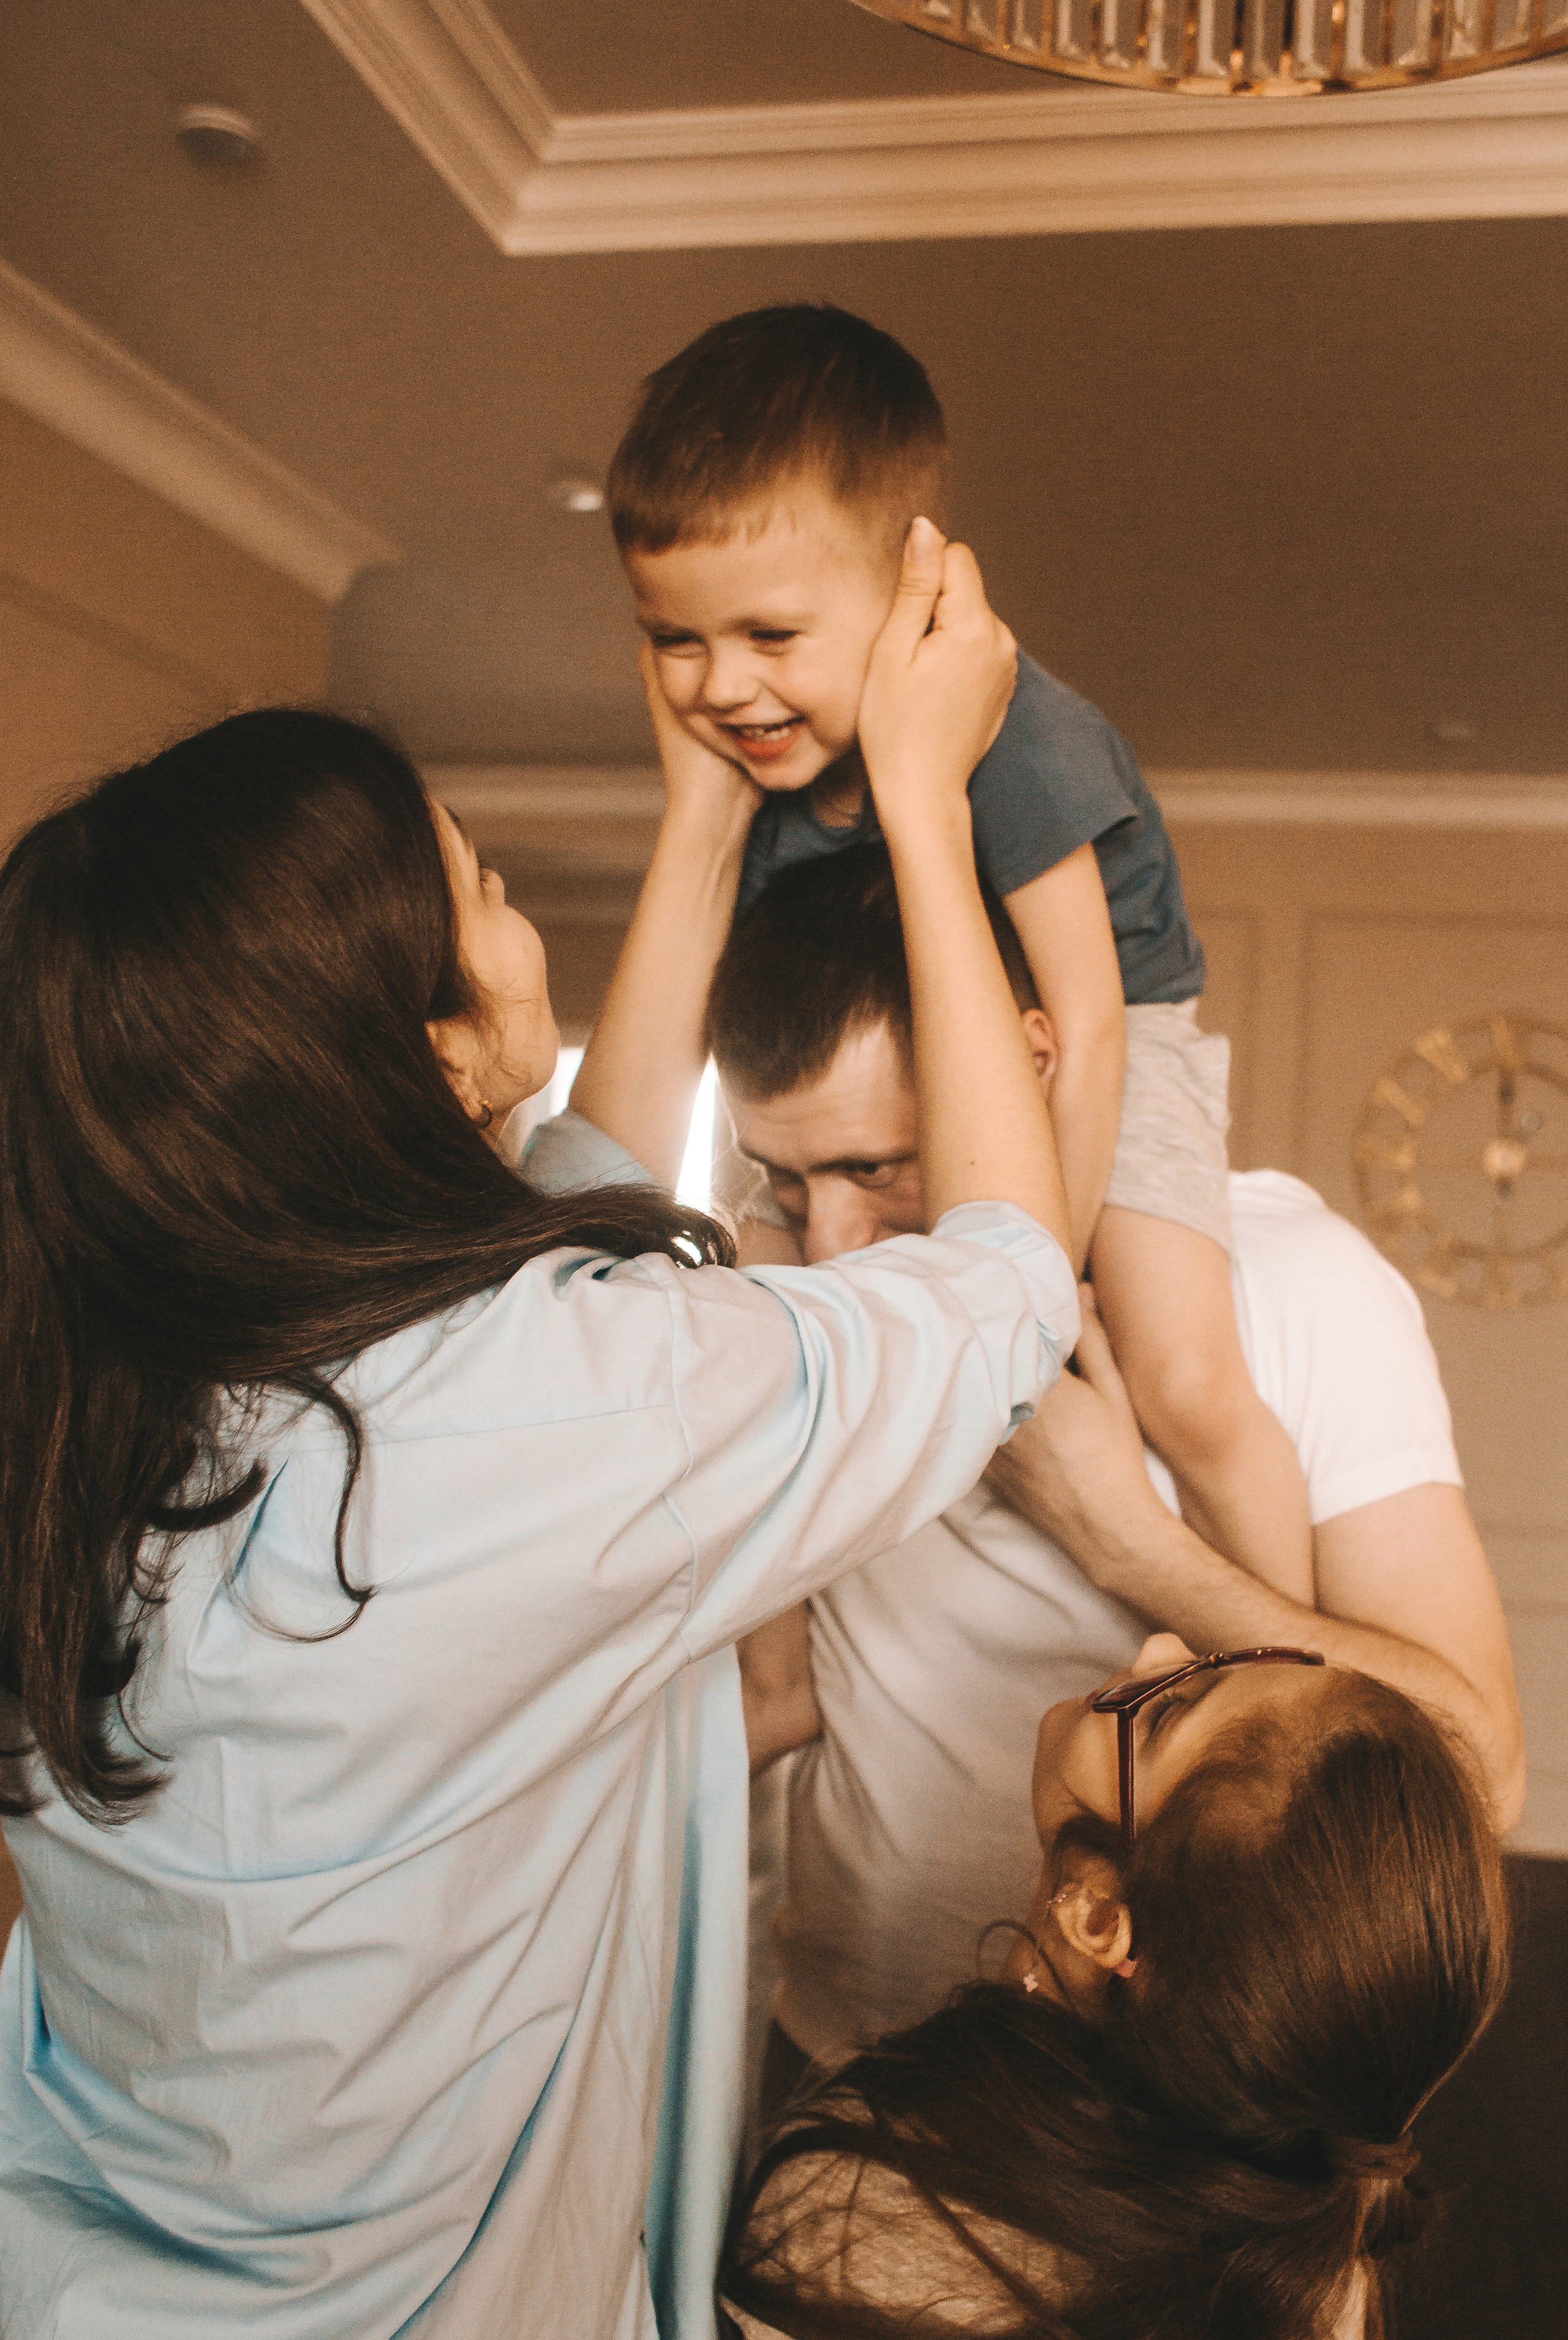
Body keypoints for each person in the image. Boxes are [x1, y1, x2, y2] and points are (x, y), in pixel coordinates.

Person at [0, 535, 1080, 2339]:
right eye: (485, 886)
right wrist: (924, 805)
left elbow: (576, 1191)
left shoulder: (76, 1396)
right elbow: (1010, 1289)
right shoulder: (553, 1399)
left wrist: (703, 822)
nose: (518, 923)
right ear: (420, 1041)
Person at [698, 844, 1523, 2077]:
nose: (833, 1240)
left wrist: (1122, 1537)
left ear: (1019, 1066)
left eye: (874, 1167)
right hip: (834, 2040)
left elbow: (1472, 1778)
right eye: (787, 1177)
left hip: (1150, 2088)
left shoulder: (1291, 1282)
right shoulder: (800, 1298)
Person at [606, 301, 1313, 1606]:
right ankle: (767, 1671)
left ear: (906, 585)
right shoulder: (753, 770)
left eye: (769, 636)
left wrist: (1039, 1282)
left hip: (1109, 1021)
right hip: (897, 1050)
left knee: (1180, 1370)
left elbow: (1088, 1025)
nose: (721, 688)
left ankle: (1280, 1662)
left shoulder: (1017, 737)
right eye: (675, 641)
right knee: (743, 1346)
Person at [721, 1631, 1511, 2340]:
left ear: (1100, 1919)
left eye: (1166, 1716)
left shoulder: (861, 2214)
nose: (1160, 1645)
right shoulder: (1321, 2260)